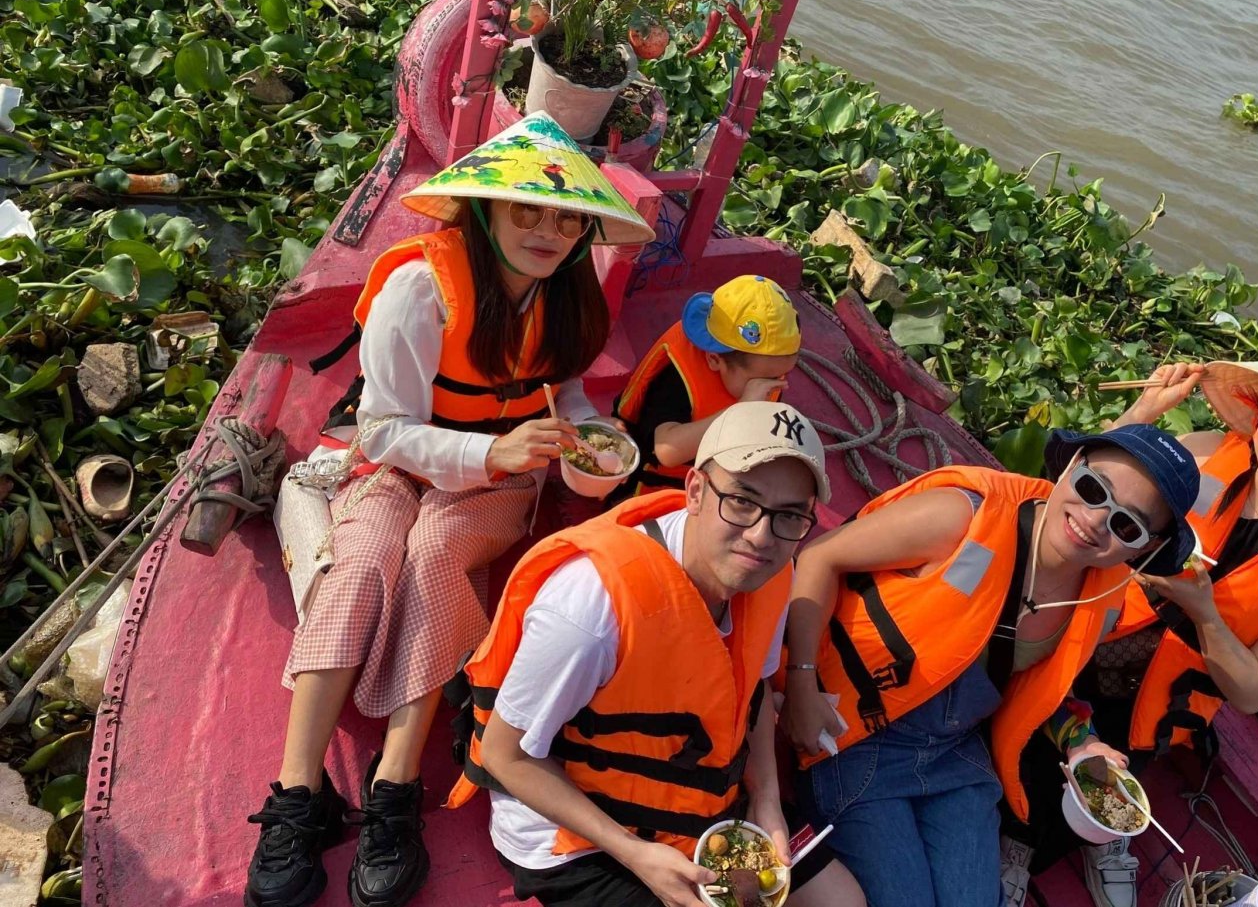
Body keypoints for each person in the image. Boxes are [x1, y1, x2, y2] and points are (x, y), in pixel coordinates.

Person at [244, 113, 656, 907]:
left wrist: (589, 439)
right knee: (361, 559)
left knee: (436, 554)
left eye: (568, 216)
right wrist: (485, 453)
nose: (548, 230)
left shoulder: (565, 298)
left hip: (506, 471)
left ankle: (393, 783)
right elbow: (383, 429)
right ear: (485, 210)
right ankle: (300, 795)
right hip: (401, 457)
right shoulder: (419, 289)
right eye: (527, 209)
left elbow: (563, 390)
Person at [1004, 359, 1258, 907]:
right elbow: (1083, 499)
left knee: (1093, 799)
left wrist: (1205, 613)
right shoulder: (1202, 452)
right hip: (1088, 634)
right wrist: (1146, 411)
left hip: (1154, 703)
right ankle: (1028, 830)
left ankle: (1096, 838)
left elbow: (1254, 690)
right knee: (1013, 763)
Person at [446, 401, 866, 907]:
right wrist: (634, 853)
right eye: (741, 501)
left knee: (843, 902)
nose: (760, 535)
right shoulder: (590, 606)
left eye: (789, 515)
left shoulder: (772, 574)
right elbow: (505, 754)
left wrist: (769, 802)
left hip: (702, 796)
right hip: (579, 840)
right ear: (693, 491)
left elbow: (750, 690)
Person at [778, 425, 1202, 907]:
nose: (1095, 520)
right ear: (1071, 465)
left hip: (952, 750)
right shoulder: (963, 516)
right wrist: (800, 686)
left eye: (1128, 525)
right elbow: (819, 557)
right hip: (855, 730)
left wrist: (1083, 745)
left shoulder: (1102, 598)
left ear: (1145, 548)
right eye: (1092, 489)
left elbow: (1041, 687)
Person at [615, 274, 801, 496]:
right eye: (764, 380)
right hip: (653, 487)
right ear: (714, 359)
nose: (775, 386)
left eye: (781, 375)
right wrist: (739, 410)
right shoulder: (678, 377)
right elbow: (667, 451)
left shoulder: (764, 374)